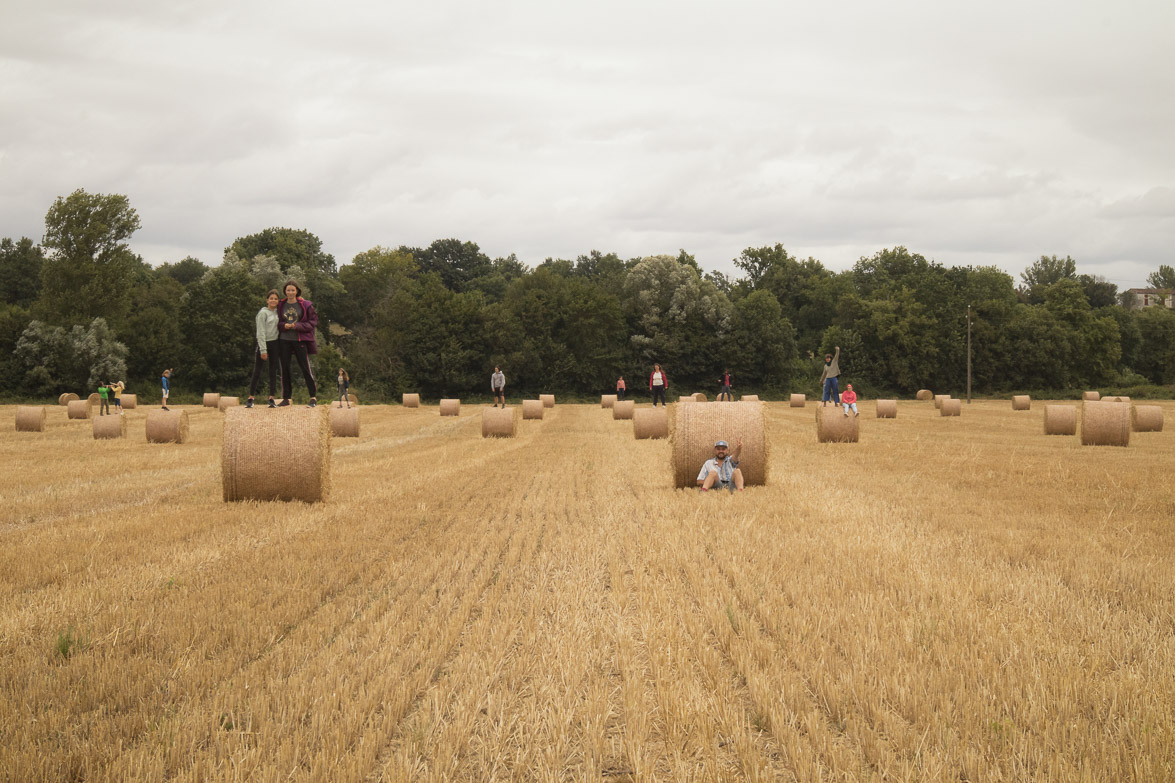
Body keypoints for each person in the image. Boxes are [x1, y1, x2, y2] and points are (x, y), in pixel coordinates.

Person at [276, 280, 319, 408]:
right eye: (288, 290)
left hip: (299, 340)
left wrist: (297, 325)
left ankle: (313, 397)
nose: (290, 292)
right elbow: (276, 323)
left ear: (297, 291)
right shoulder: (280, 305)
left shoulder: (305, 305)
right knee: (285, 369)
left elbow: (313, 322)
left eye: (292, 290)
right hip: (284, 340)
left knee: (305, 368)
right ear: (285, 291)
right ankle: (286, 398)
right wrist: (284, 325)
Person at [246, 289, 281, 409]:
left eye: (275, 299)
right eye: (271, 298)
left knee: (273, 372)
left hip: (275, 344)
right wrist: (263, 350)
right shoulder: (262, 313)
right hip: (264, 343)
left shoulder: (278, 312)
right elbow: (260, 332)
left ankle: (271, 398)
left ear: (278, 301)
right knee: (257, 371)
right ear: (267, 300)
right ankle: (251, 398)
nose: (273, 300)